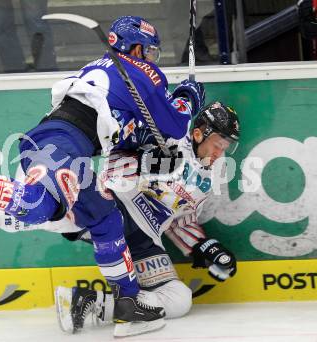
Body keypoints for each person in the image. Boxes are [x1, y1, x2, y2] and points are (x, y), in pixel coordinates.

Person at [0, 15, 205, 337]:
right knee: (41, 204)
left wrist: (151, 147)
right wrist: (189, 96)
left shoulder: (104, 71)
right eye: (149, 51)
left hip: (64, 145)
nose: (152, 59)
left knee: (103, 217)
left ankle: (128, 307)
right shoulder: (141, 71)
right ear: (136, 47)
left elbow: (123, 135)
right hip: (60, 145)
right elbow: (175, 125)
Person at [54, 101, 240, 333]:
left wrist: (206, 247)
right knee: (54, 211)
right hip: (117, 206)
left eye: (224, 148)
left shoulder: (206, 182)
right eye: (216, 145)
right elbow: (112, 157)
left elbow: (178, 222)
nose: (218, 153)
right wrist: (145, 163)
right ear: (198, 133)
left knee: (179, 299)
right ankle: (4, 206)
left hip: (146, 238)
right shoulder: (167, 136)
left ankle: (88, 301)